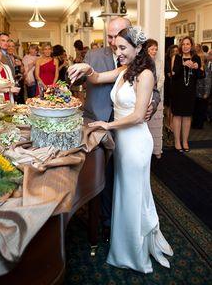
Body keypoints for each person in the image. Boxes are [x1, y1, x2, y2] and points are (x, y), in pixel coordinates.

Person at [68, 26, 172, 273]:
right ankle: (126, 244)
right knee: (124, 195)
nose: (119, 52)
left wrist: (108, 124)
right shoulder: (125, 70)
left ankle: (134, 252)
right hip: (123, 144)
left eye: (123, 48)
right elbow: (97, 78)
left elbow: (138, 116)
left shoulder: (146, 75)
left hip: (136, 143)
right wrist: (87, 68)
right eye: (116, 48)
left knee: (133, 197)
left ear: (138, 49)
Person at [170, 36, 204, 152]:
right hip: (178, 92)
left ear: (191, 45)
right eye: (183, 44)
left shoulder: (196, 58)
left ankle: (185, 141)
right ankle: (177, 141)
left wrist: (196, 68)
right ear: (181, 46)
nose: (185, 46)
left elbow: (201, 76)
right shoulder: (177, 57)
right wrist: (183, 65)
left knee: (187, 117)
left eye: (188, 44)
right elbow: (173, 75)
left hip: (190, 92)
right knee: (177, 116)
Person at [193, 46, 212, 129]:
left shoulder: (206, 69)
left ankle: (199, 125)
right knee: (196, 109)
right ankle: (196, 124)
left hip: (203, 93)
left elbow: (208, 82)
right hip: (197, 92)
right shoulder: (199, 68)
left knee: (201, 110)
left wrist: (206, 93)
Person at [164, 45, 179, 131]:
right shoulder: (167, 60)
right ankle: (168, 122)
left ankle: (172, 123)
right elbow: (168, 72)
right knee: (168, 105)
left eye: (177, 51)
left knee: (174, 105)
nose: (175, 52)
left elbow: (177, 72)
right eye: (174, 51)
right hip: (168, 84)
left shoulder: (179, 60)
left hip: (176, 85)